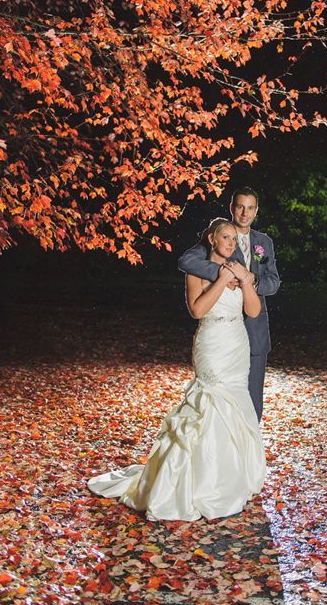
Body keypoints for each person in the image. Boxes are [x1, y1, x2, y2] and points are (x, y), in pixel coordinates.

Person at [88, 219, 266, 521]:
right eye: (225, 238)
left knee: (236, 402)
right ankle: (197, 483)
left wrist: (245, 280)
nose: (230, 244)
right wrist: (222, 281)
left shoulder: (239, 269)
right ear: (212, 239)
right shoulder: (197, 270)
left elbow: (253, 311)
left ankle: (233, 477)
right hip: (212, 343)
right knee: (209, 403)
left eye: (234, 240)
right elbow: (196, 310)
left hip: (237, 343)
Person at [178, 187, 280, 422]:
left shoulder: (263, 242)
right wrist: (224, 274)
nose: (245, 213)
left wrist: (250, 279)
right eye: (240, 206)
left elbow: (273, 282)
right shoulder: (219, 235)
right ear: (232, 207)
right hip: (220, 334)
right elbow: (187, 261)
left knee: (252, 398)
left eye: (251, 207)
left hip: (253, 331)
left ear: (256, 211)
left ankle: (248, 452)